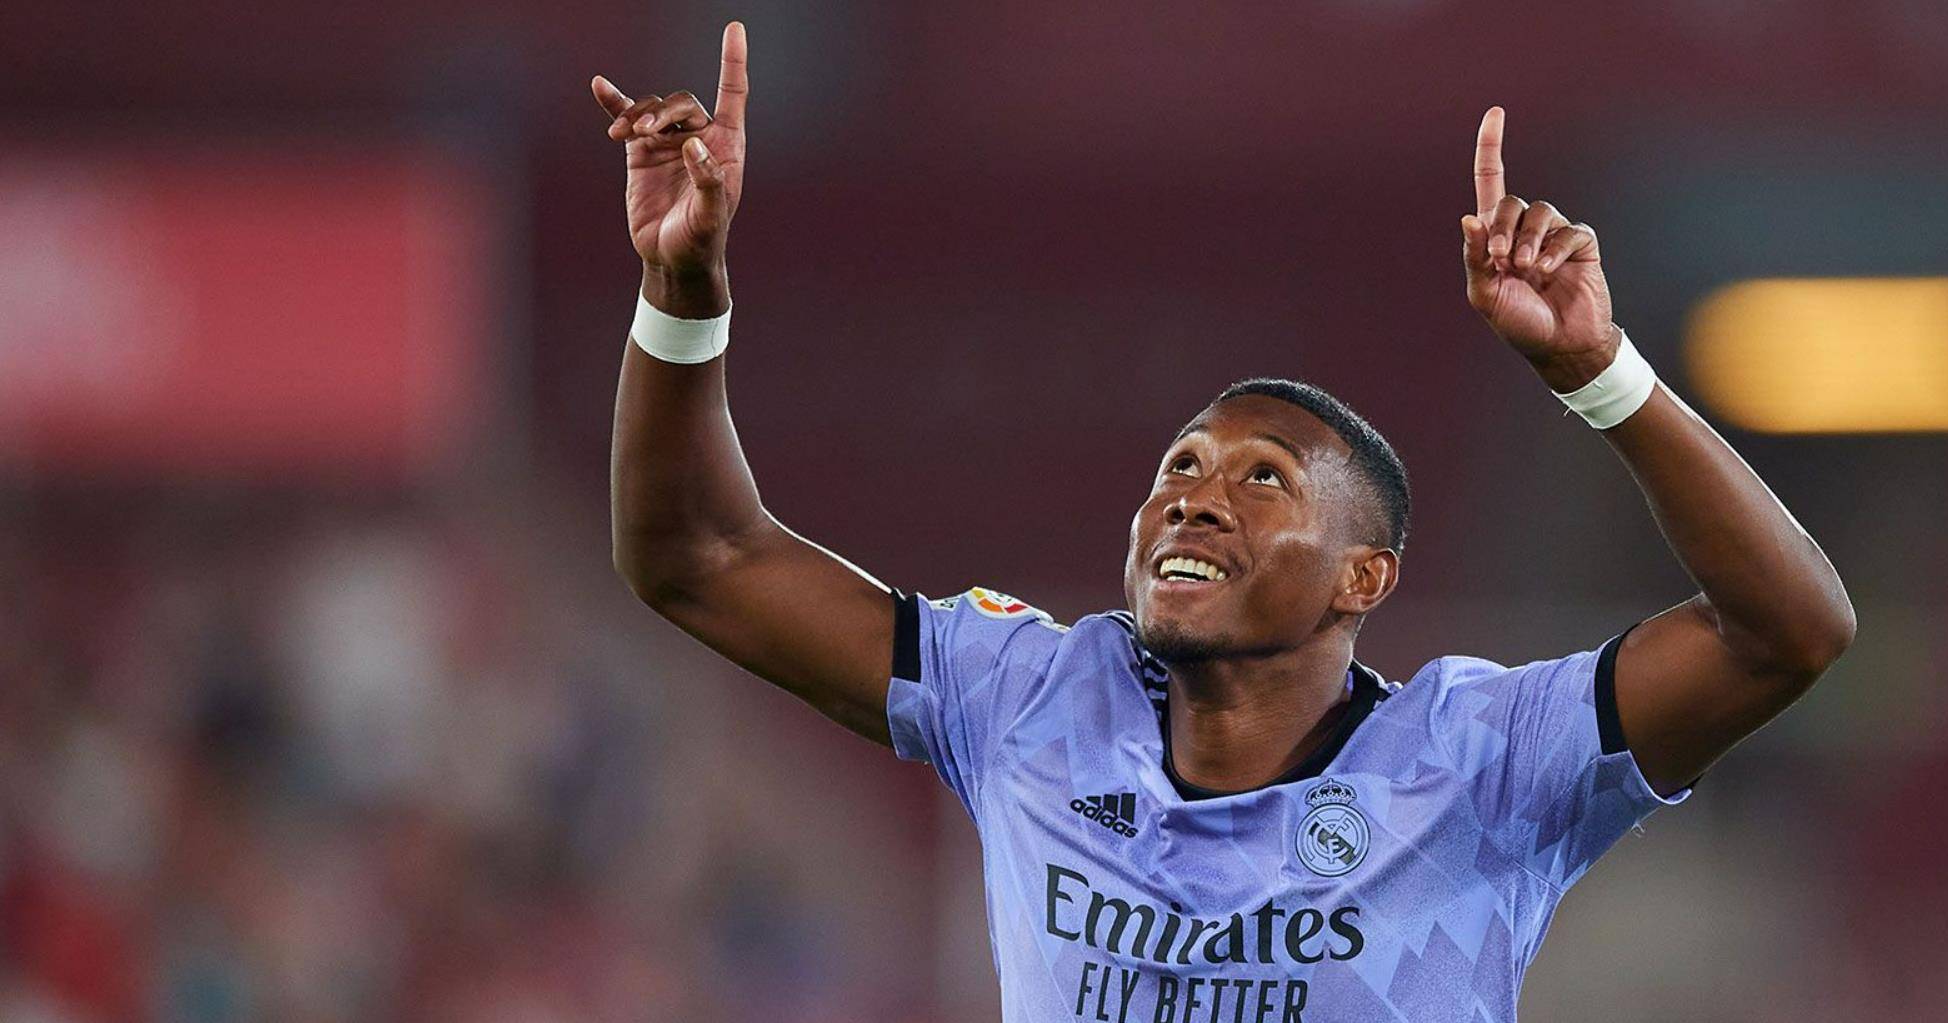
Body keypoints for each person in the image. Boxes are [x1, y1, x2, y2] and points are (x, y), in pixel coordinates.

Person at [596, 23, 1853, 1022]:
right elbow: (695, 559)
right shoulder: (1032, 702)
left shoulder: (1478, 764)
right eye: (1182, 465)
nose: (1193, 493)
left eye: (1264, 479)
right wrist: (681, 291)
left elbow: (1787, 631)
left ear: (1364, 577)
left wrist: (1599, 375)